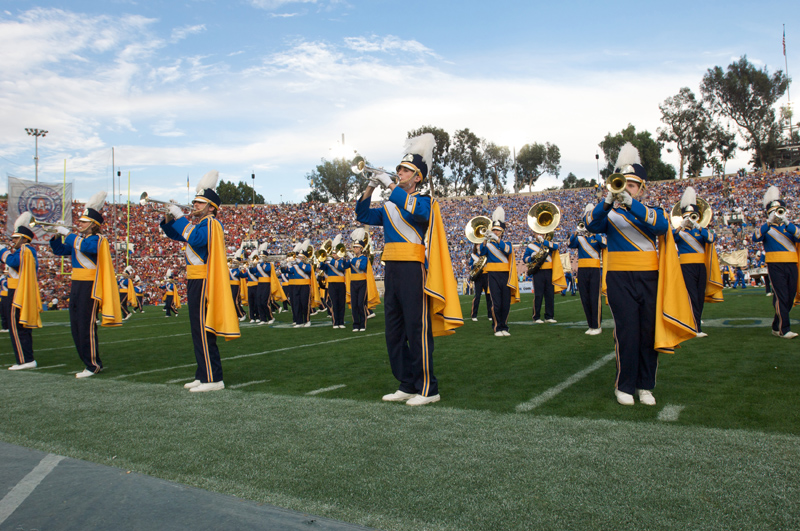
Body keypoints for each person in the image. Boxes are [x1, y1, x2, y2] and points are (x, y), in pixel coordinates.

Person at [583, 142, 695, 406]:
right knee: (627, 332)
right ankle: (624, 385)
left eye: (632, 185)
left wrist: (630, 203)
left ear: (642, 188)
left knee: (647, 332)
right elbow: (591, 225)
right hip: (620, 279)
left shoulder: (652, 211)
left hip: (649, 278)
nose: (626, 187)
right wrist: (608, 200)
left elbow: (660, 226)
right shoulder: (608, 214)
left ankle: (646, 386)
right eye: (623, 183)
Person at [356, 133, 463, 405]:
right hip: (391, 269)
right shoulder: (391, 204)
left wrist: (390, 184)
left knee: (417, 329)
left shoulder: (424, 201)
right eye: (399, 169)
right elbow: (363, 215)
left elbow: (417, 212)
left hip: (414, 270)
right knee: (393, 330)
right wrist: (369, 188)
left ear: (417, 177)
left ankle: (429, 388)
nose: (399, 172)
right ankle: (406, 382)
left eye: (405, 170)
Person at [160, 170, 240, 392]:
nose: (194, 205)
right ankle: (203, 373)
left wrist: (180, 216)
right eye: (194, 202)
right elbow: (177, 235)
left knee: (204, 329)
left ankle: (214, 378)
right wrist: (169, 218)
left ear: (211, 207)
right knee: (197, 329)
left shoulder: (211, 224)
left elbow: (193, 237)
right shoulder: (199, 224)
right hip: (195, 280)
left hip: (204, 281)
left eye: (199, 203)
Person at [49, 191, 122, 378]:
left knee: (86, 325)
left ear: (93, 224)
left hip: (90, 286)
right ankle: (88, 361)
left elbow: (88, 248)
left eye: (83, 222)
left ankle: (93, 364)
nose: (79, 224)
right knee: (76, 326)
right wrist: (57, 235)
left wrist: (69, 234)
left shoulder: (97, 239)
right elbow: (59, 250)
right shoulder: (78, 241)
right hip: (77, 285)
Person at [672, 186, 722, 338]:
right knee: (691, 295)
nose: (690, 219)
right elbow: (672, 238)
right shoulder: (680, 232)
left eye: (692, 216)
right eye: (687, 216)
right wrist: (682, 225)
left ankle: (696, 320)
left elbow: (712, 239)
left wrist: (698, 226)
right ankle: (695, 327)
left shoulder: (701, 231)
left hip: (701, 266)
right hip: (686, 267)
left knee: (699, 296)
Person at [753, 186, 800, 339]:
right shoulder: (766, 228)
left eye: (779, 210)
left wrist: (786, 222)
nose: (777, 214)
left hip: (792, 263)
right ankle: (783, 330)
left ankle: (776, 326)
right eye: (774, 211)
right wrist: (769, 221)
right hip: (775, 265)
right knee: (781, 296)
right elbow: (756, 237)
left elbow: (799, 236)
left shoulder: (790, 227)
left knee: (790, 297)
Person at [0, 212, 42, 370]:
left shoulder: (25, 250)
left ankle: (24, 360)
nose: (13, 241)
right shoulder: (26, 250)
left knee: (16, 327)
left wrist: (2, 252)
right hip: (19, 289)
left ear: (25, 238)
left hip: (17, 291)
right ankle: (27, 358)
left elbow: (13, 261)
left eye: (16, 238)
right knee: (21, 327)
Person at [479, 207, 519, 336]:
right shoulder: (488, 244)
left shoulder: (506, 243)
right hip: (493, 275)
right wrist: (485, 238)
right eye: (494, 230)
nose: (495, 232)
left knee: (505, 303)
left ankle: (504, 327)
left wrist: (496, 239)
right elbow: (482, 253)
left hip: (506, 275)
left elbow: (508, 250)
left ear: (502, 232)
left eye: (498, 230)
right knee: (496, 302)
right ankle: (497, 327)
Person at [568, 206, 606, 335]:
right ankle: (590, 325)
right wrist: (576, 231)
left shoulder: (598, 237)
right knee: (585, 298)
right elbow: (570, 244)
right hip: (582, 270)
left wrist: (595, 233)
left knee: (594, 297)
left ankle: (597, 325)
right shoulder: (580, 238)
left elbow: (605, 244)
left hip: (595, 269)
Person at [522, 233, 561, 324]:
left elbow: (555, 247)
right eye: (538, 233)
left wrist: (544, 241)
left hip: (549, 271)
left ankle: (549, 316)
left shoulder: (548, 243)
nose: (540, 234)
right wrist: (531, 257)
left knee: (550, 295)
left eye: (542, 233)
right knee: (538, 295)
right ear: (534, 234)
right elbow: (525, 258)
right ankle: (536, 316)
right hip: (538, 271)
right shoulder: (531, 246)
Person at [320, 234, 348, 329]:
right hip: (331, 284)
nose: (333, 255)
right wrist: (322, 260)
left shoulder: (342, 261)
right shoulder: (328, 262)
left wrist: (330, 261)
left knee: (341, 303)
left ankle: (341, 322)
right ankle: (335, 322)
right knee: (334, 303)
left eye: (335, 253)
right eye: (332, 253)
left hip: (341, 284)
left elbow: (341, 268)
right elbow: (321, 268)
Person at [346, 229, 370, 332]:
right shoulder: (352, 259)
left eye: (356, 247)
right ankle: (355, 324)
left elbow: (362, 267)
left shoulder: (364, 258)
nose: (354, 249)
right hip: (353, 283)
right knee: (354, 304)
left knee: (360, 304)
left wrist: (353, 260)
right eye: (354, 247)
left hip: (362, 282)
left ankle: (362, 324)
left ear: (361, 248)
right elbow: (344, 266)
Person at [468, 244, 492, 322]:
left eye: (480, 244)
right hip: (478, 277)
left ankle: (490, 315)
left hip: (487, 276)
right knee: (477, 296)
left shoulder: (486, 253)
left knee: (488, 296)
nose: (479, 245)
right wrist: (474, 264)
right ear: (475, 246)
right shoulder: (473, 255)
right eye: (477, 244)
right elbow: (470, 265)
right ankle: (474, 315)